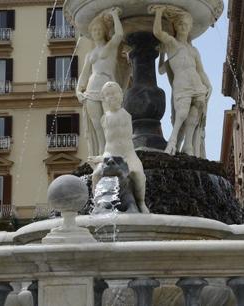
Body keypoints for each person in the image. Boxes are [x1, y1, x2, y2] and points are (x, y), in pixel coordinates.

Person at [151, 5, 212, 157]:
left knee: (195, 113)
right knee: (182, 113)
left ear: (190, 27)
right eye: (180, 24)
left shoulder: (193, 50)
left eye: (186, 25)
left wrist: (209, 85)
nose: (183, 27)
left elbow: (201, 71)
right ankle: (172, 141)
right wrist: (158, 12)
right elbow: (157, 32)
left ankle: (188, 146)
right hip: (182, 84)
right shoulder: (172, 43)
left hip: (197, 84)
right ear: (175, 26)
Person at [90, 82, 149, 214]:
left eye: (114, 93)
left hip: (128, 154)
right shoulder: (104, 118)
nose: (111, 97)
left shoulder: (127, 114)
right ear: (104, 99)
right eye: (108, 95)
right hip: (109, 154)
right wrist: (100, 157)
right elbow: (105, 142)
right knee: (95, 175)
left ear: (121, 95)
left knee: (138, 174)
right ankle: (96, 204)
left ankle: (141, 202)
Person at [76, 7, 124, 156]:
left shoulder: (110, 47)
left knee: (108, 122)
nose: (96, 32)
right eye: (94, 30)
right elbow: (84, 75)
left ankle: (113, 151)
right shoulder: (90, 54)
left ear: (104, 31)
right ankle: (101, 152)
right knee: (96, 125)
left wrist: (115, 15)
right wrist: (78, 91)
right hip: (91, 90)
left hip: (106, 88)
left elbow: (119, 35)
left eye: (98, 29)